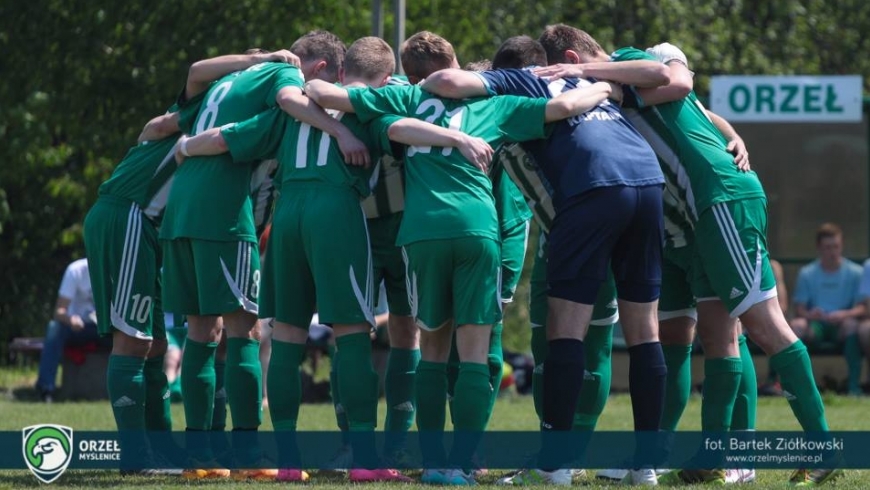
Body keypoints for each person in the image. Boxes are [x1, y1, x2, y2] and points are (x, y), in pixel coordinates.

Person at [305, 32, 627, 484]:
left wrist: (346, 117)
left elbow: (322, 92)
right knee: (475, 351)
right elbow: (565, 108)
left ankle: (434, 463)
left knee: (432, 349)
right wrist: (601, 84)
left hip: (420, 233)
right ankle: (465, 462)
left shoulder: (405, 95)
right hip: (478, 229)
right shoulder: (496, 102)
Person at [176, 36, 494, 483]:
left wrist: (185, 147)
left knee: (285, 336)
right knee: (352, 336)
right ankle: (365, 459)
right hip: (337, 215)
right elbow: (402, 131)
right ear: (384, 79)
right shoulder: (371, 108)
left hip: (287, 219)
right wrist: (457, 138)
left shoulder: (289, 110)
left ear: (341, 71)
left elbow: (228, 137)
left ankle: (287, 461)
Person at [533, 29, 843, 485]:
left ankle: (819, 450)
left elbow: (675, 79)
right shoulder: (617, 89)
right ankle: (706, 455)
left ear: (576, 57)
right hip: (697, 218)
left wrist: (582, 70)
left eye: (560, 67)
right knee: (714, 335)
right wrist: (732, 131)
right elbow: (694, 109)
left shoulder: (624, 61)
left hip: (721, 199)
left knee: (764, 325)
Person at [420, 33, 668, 485]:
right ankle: (645, 463)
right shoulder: (593, 79)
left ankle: (555, 464)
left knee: (564, 328)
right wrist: (596, 75)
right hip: (648, 182)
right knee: (644, 331)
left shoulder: (524, 80)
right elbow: (663, 75)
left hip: (592, 186)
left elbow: (445, 80)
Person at [160, 30, 363, 480]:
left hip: (181, 211)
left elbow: (194, 72)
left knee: (200, 331)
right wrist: (337, 129)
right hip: (221, 216)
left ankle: (201, 458)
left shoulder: (230, 79)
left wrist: (187, 145)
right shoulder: (285, 73)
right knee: (244, 329)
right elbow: (293, 99)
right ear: (324, 69)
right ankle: (250, 454)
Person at [791, 223, 866, 395]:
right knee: (797, 326)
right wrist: (811, 314)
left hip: (842, 326)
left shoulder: (856, 272)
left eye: (836, 246)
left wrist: (845, 314)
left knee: (852, 325)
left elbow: (863, 308)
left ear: (842, 246)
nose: (832, 252)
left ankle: (853, 387)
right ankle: (798, 386)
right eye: (827, 247)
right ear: (819, 248)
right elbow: (799, 309)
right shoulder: (807, 273)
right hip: (816, 326)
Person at [35, 258, 101, 402]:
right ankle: (46, 389)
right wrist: (71, 319)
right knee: (54, 328)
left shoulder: (115, 271)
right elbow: (59, 312)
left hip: (103, 329)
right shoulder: (76, 270)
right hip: (76, 328)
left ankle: (138, 390)